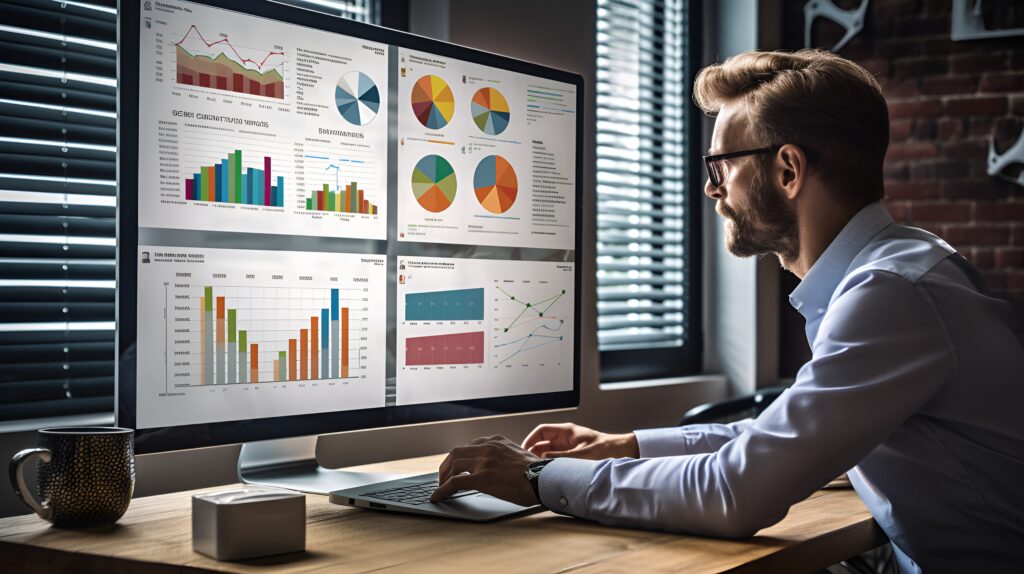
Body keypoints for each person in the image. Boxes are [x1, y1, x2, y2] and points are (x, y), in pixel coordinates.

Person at [430, 49, 1024, 572]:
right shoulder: (899, 268)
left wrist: (536, 478)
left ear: (788, 169)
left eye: (722, 166)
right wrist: (627, 444)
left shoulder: (890, 295)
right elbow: (776, 435)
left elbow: (736, 492)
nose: (712, 190)